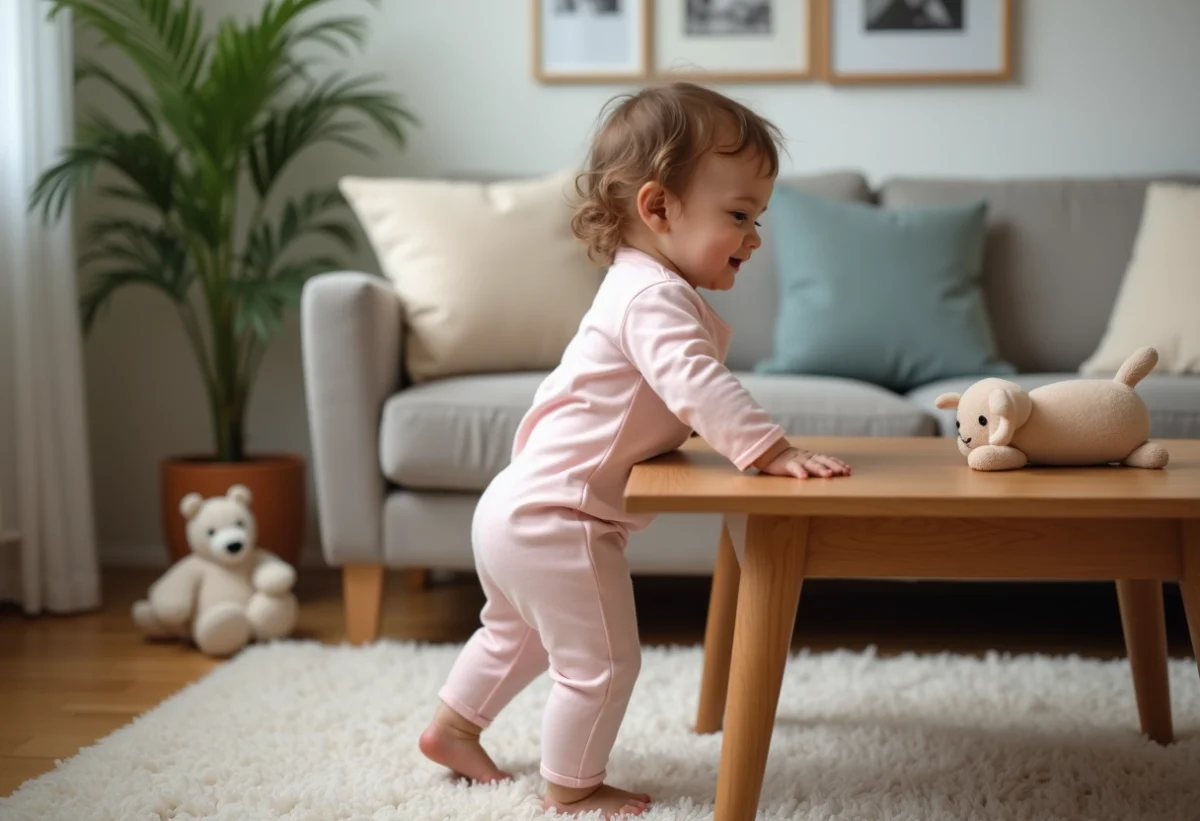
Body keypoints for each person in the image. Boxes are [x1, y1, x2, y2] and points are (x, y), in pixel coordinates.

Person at [418, 81, 852, 818]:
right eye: (739, 215)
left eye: (758, 217)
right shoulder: (653, 299)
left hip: (517, 506)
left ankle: (452, 730)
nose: (754, 237)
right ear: (657, 208)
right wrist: (767, 449)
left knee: (515, 634)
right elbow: (695, 383)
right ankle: (573, 786)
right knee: (604, 663)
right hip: (559, 518)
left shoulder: (637, 287)